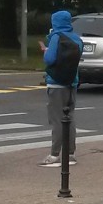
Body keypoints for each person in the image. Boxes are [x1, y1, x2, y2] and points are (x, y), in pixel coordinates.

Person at [38, 10, 84, 167]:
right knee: (70, 117)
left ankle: (54, 154)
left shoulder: (56, 37)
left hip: (56, 83)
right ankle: (70, 154)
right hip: (72, 82)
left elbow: (49, 59)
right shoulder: (77, 39)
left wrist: (45, 51)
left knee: (57, 119)